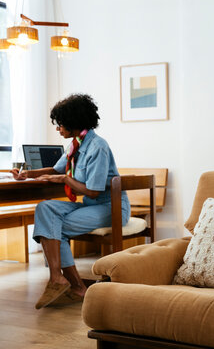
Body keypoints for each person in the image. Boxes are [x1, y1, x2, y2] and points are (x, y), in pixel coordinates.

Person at [11, 94, 130, 309]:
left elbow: (92, 192)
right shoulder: (76, 145)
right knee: (45, 208)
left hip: (110, 207)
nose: (58, 129)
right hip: (90, 207)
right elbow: (55, 169)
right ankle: (59, 279)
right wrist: (27, 174)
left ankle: (73, 285)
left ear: (74, 121)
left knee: (53, 227)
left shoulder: (98, 147)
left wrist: (66, 179)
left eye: (60, 124)